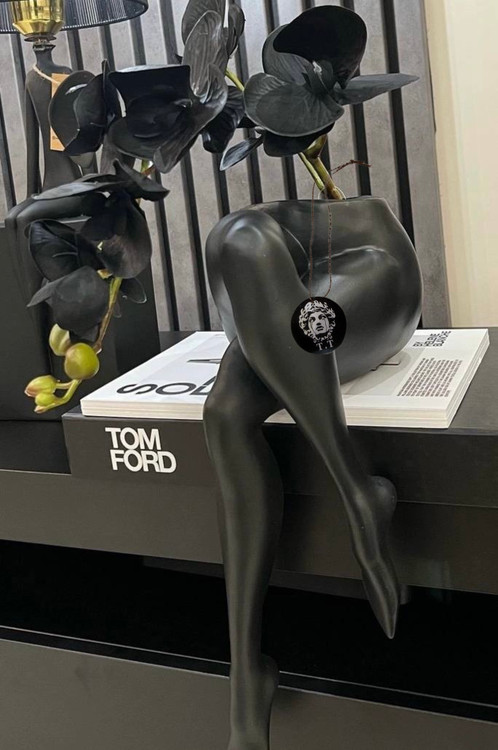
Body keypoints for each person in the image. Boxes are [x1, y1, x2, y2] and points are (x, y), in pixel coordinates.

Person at [204, 196, 422, 750]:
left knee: (240, 237)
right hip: (267, 301)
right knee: (224, 412)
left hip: (370, 273)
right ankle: (357, 491)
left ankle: (245, 687)